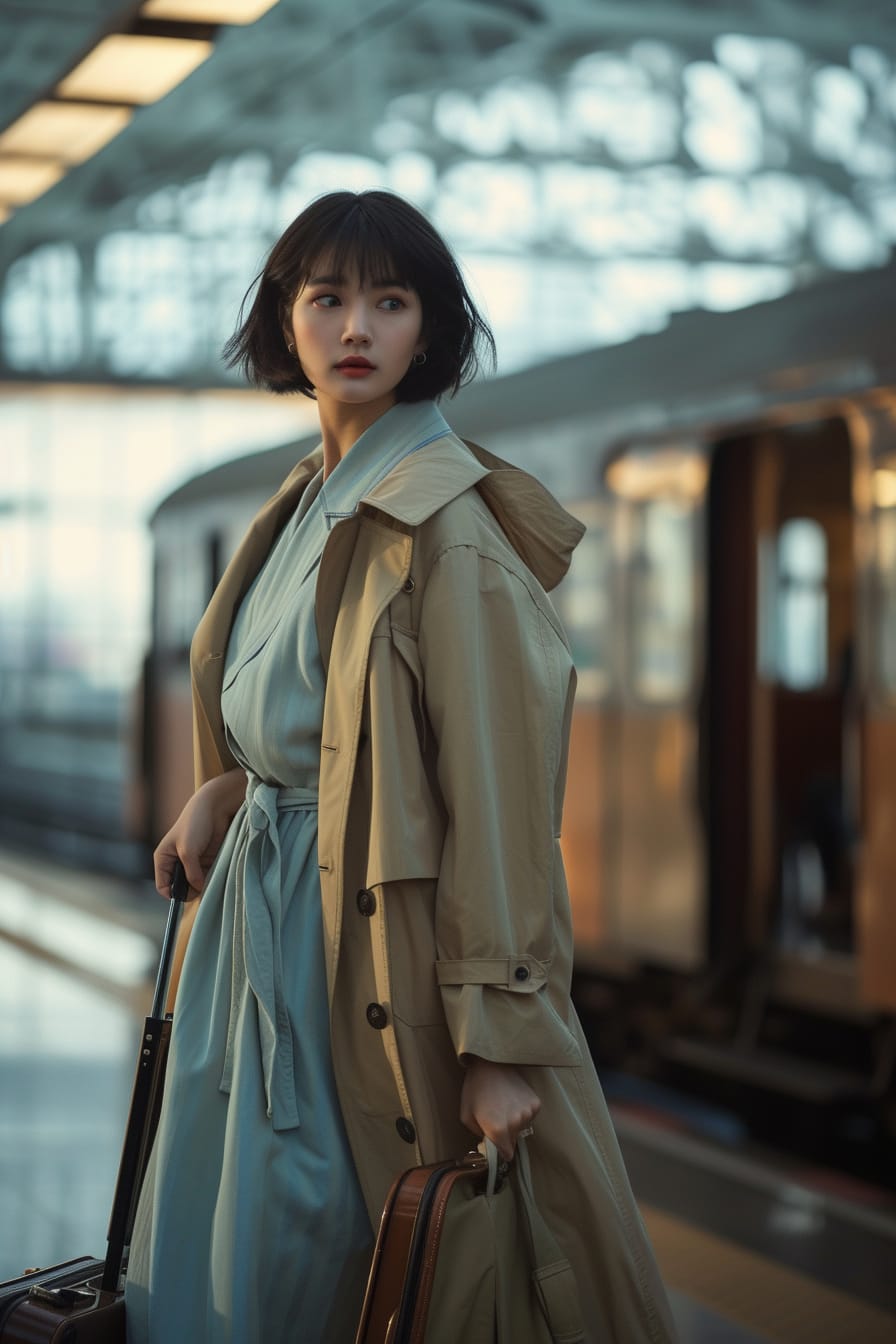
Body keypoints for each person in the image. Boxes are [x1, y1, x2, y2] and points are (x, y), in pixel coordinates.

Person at [124, 190, 678, 1344]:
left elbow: (498, 803)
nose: (356, 326)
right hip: (261, 949)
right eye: (325, 297)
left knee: (330, 1260)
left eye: (390, 299)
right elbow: (298, 717)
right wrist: (229, 786)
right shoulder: (301, 506)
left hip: (365, 959)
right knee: (242, 1258)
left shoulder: (447, 528)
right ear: (285, 320)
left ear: (431, 328)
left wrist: (497, 1043)